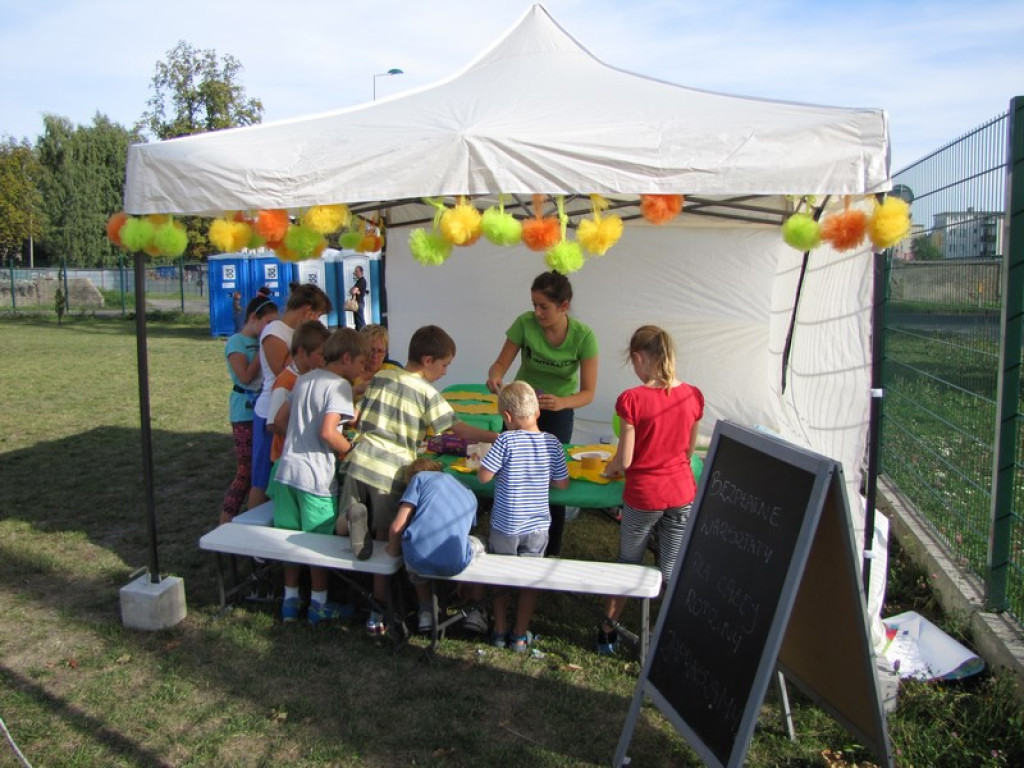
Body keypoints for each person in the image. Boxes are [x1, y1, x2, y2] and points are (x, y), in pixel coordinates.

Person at [338, 324, 499, 636]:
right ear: (427, 360)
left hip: (359, 460)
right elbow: (457, 429)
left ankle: (350, 522)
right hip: (390, 469)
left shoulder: (382, 375)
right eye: (444, 365)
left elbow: (358, 412)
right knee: (386, 541)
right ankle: (380, 608)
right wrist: (496, 436)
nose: (444, 372)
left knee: (347, 522)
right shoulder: (427, 392)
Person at [596, 325, 704, 655]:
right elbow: (688, 450)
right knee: (671, 569)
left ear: (639, 358)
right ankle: (665, 637)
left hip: (645, 495)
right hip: (681, 492)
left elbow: (625, 460)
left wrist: (611, 467)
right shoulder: (693, 395)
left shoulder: (632, 399)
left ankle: (607, 632)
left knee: (628, 561)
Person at [485, 270, 598, 557]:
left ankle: (550, 548)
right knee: (508, 473)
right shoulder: (524, 324)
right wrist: (495, 377)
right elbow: (500, 364)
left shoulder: (584, 337)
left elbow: (588, 393)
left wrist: (561, 403)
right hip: (520, 408)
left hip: (558, 412)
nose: (536, 312)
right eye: (533, 304)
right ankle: (503, 533)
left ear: (564, 306)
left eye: (543, 306)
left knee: (552, 481)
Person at [267, 327, 368, 626]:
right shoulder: (340, 386)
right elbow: (328, 433)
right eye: (361, 364)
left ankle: (289, 600)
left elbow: (281, 420)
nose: (362, 371)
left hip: (286, 472)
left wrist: (301, 437)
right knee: (317, 543)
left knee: (289, 540)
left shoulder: (304, 378)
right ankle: (319, 603)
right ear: (347, 358)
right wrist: (349, 449)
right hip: (314, 478)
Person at [478, 381, 569, 652]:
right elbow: (562, 484)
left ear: (506, 417)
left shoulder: (506, 440)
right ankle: (519, 635)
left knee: (501, 576)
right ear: (538, 412)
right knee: (530, 581)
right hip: (538, 525)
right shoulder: (553, 443)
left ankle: (499, 629)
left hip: (506, 524)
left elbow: (484, 477)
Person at [249, 283, 333, 510]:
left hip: (292, 411)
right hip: (271, 412)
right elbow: (284, 372)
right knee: (262, 478)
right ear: (307, 310)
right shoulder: (274, 331)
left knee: (281, 477)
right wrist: (303, 340)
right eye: (317, 315)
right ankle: (250, 526)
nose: (318, 320)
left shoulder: (293, 332)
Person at [386, 458, 487, 634]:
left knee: (417, 548)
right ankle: (474, 608)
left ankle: (426, 612)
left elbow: (397, 527)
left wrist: (392, 552)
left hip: (416, 559)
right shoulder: (469, 493)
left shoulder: (420, 478)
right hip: (455, 563)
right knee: (480, 542)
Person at [220, 294, 279, 525]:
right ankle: (225, 522)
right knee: (246, 472)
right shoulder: (236, 342)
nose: (270, 329)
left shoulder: (264, 339)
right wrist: (265, 351)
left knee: (261, 470)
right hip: (243, 410)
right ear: (254, 318)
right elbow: (244, 376)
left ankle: (251, 519)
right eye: (267, 323)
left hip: (261, 409)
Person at [268, 320, 332, 465]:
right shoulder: (286, 382)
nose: (324, 360)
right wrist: (304, 439)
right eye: (321, 355)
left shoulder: (311, 376)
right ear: (302, 352)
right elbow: (273, 423)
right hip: (285, 459)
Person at [353, 324, 402, 400]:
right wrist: (356, 390)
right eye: (371, 350)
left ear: (386, 352)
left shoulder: (395, 371)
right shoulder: (350, 372)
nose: (375, 356)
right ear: (361, 349)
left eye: (380, 351)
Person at [349, 266, 368, 330]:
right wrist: (355, 291)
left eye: (357, 271)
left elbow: (353, 291)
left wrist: (355, 290)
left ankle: (364, 334)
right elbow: (351, 290)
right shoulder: (359, 281)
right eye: (355, 271)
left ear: (361, 272)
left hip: (359, 303)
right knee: (357, 321)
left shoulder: (362, 281)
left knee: (360, 321)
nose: (355, 273)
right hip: (357, 303)